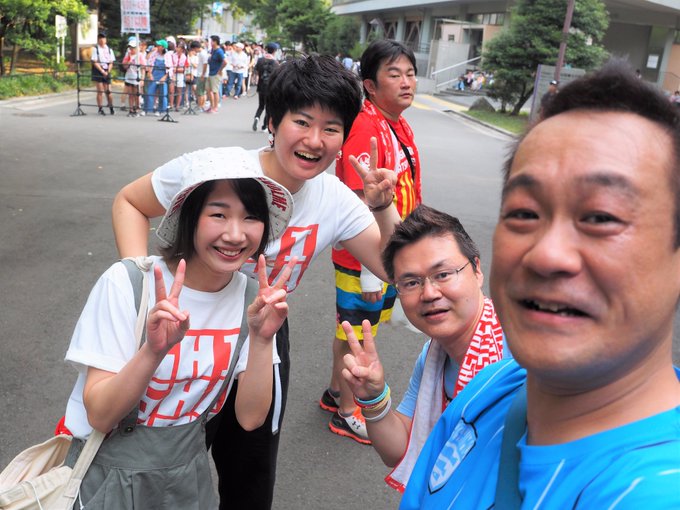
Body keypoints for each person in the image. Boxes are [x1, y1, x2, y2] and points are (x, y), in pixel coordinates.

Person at [111, 55, 401, 509]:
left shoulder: (334, 199)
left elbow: (395, 268)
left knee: (250, 468)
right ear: (272, 122)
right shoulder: (215, 170)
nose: (314, 140)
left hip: (263, 332)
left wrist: (382, 208)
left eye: (330, 128)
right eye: (301, 122)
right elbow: (130, 201)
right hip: (183, 327)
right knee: (161, 466)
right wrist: (140, 288)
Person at [400, 61, 680, 508]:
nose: (546, 254)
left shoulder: (654, 492)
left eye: (602, 216)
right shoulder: (492, 387)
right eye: (524, 213)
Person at [61, 148, 295, 508]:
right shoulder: (128, 283)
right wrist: (153, 352)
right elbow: (101, 415)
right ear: (189, 217)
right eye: (218, 214)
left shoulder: (251, 299)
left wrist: (263, 340)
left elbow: (250, 419)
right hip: (106, 480)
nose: (235, 234)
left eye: (251, 217)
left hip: (188, 483)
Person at [341, 204, 504, 491]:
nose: (428, 293)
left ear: (477, 270)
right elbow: (399, 450)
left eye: (443, 274)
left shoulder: (520, 355)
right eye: (411, 282)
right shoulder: (434, 355)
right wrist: (373, 398)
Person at [323, 39, 422, 444]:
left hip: (388, 248)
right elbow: (357, 201)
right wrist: (369, 271)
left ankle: (336, 392)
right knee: (358, 333)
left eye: (410, 73)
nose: (406, 82)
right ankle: (348, 411)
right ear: (369, 84)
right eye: (394, 74)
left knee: (353, 328)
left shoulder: (396, 122)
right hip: (365, 255)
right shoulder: (367, 126)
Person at [252, 42, 279, 132]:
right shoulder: (275, 63)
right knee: (268, 107)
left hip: (261, 86)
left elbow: (255, 71)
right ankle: (265, 126)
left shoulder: (260, 60)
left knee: (261, 106)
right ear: (274, 51)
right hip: (270, 88)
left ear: (266, 49)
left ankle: (257, 117)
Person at [91, 32, 115, 116]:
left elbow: (111, 62)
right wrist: (102, 71)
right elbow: (94, 61)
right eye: (100, 38)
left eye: (103, 38)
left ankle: (111, 106)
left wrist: (108, 71)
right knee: (100, 90)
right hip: (98, 70)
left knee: (108, 91)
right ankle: (100, 108)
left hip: (107, 69)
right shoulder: (96, 49)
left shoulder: (109, 49)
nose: (102, 40)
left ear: (106, 39)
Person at [145, 40, 170, 116]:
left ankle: (161, 110)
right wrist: (150, 74)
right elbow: (149, 63)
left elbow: (170, 68)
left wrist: (164, 77)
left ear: (163, 47)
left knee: (163, 93)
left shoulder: (167, 55)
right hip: (154, 73)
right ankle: (147, 109)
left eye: (159, 46)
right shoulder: (154, 54)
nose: (157, 47)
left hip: (163, 74)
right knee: (149, 92)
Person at [121, 38, 145, 117]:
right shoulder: (128, 55)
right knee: (130, 94)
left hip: (136, 77)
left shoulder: (140, 55)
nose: (131, 49)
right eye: (130, 47)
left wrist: (142, 79)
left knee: (136, 94)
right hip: (129, 76)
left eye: (133, 48)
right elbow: (124, 66)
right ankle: (131, 109)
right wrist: (128, 62)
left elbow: (143, 67)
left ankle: (136, 109)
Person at [206, 35, 225, 113]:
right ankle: (211, 105)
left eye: (211, 41)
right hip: (210, 72)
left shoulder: (219, 51)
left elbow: (225, 61)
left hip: (215, 73)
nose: (210, 43)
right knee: (208, 89)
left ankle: (215, 107)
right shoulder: (213, 50)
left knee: (215, 91)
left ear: (215, 42)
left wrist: (220, 70)